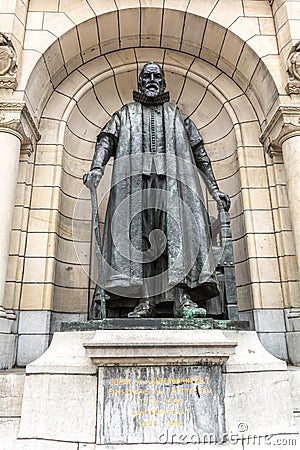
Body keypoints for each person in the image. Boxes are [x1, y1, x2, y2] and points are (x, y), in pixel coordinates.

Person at [84, 62, 230, 318]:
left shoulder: (178, 115)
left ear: (162, 82)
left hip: (173, 187)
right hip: (135, 187)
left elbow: (200, 153)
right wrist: (97, 168)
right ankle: (144, 301)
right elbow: (106, 140)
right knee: (140, 243)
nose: (152, 80)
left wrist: (214, 189)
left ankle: (182, 299)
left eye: (157, 76)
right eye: (147, 76)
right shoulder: (125, 114)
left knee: (178, 239)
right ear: (140, 82)